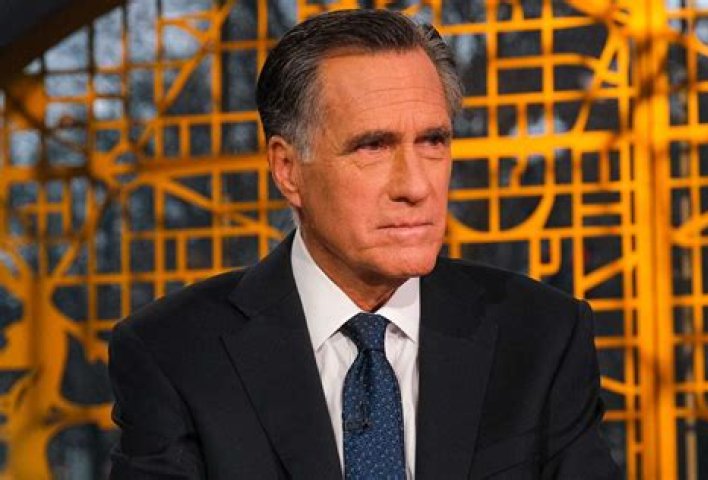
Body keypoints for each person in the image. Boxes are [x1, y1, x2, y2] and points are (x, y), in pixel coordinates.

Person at [108, 8, 621, 479]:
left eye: (433, 142)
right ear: (287, 169)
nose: (415, 186)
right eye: (373, 146)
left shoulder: (541, 338)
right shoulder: (175, 355)